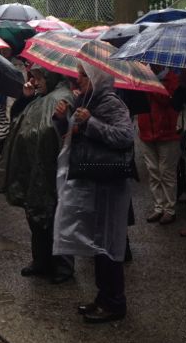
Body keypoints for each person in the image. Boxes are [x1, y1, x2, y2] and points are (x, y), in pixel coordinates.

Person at [52, 62, 134, 323]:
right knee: (98, 241)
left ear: (98, 77)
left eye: (85, 76)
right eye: (78, 75)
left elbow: (125, 136)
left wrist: (90, 123)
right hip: (93, 178)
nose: (79, 81)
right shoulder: (87, 99)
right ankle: (103, 298)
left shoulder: (110, 102)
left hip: (108, 181)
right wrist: (62, 119)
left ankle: (114, 302)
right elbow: (72, 135)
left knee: (108, 243)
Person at [3, 65, 75, 284]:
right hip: (35, 166)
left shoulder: (61, 97)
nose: (35, 82)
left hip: (53, 167)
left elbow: (64, 131)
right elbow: (17, 120)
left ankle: (62, 265)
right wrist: (25, 99)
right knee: (36, 214)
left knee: (56, 217)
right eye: (33, 78)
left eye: (38, 77)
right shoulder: (41, 97)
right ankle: (41, 260)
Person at [137, 66, 182, 225]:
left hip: (167, 133)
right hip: (146, 131)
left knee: (166, 173)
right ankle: (159, 206)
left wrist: (151, 84)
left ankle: (169, 209)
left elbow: (166, 100)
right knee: (153, 172)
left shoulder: (172, 78)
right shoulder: (142, 75)